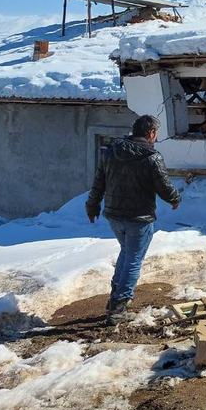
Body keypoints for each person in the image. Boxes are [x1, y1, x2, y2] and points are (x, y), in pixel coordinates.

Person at [86, 115, 181, 324]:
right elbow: (163, 186)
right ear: (151, 133)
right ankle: (119, 307)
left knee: (127, 253)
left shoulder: (111, 152)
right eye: (156, 133)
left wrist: (92, 205)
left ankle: (114, 298)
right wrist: (175, 198)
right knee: (133, 260)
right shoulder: (151, 156)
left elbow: (98, 181)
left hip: (114, 215)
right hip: (139, 217)